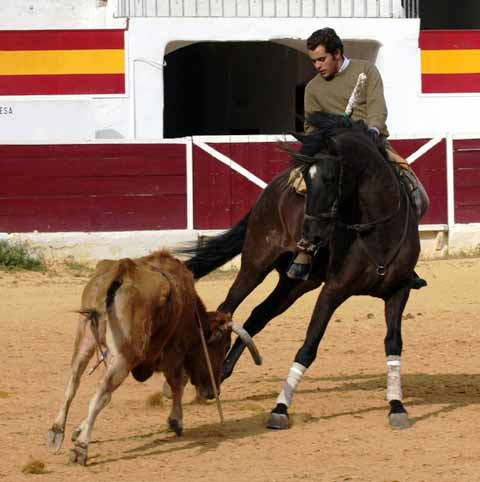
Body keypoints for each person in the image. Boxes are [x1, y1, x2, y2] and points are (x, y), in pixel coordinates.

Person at [287, 27, 429, 283]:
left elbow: (377, 108)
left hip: (371, 146)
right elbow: (310, 128)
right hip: (332, 150)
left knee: (417, 195)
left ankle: (403, 258)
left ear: (337, 54)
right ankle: (305, 250)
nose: (317, 66)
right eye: (314, 61)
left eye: (322, 59)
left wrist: (372, 130)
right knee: (301, 187)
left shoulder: (366, 71)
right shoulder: (312, 89)